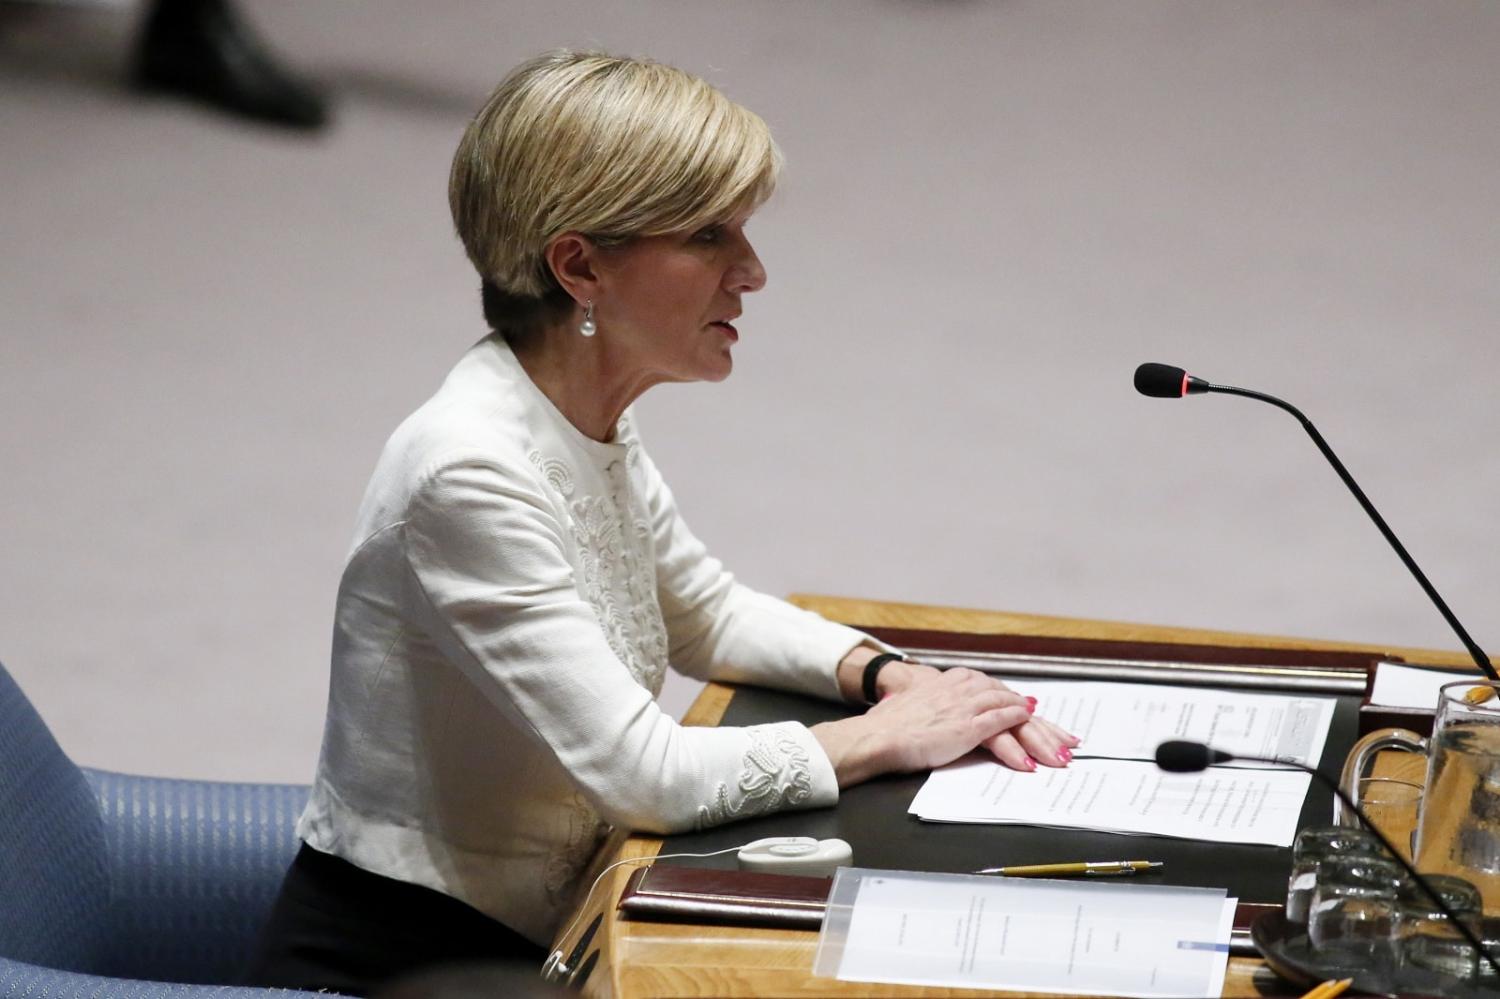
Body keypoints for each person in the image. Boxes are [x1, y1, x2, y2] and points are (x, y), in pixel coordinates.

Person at [245, 50, 1078, 996]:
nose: (753, 272)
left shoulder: (581, 412)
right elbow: (645, 773)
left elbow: (705, 613)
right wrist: (890, 735)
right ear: (579, 266)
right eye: (710, 237)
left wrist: (889, 673)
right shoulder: (468, 470)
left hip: (554, 930)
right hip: (415, 964)